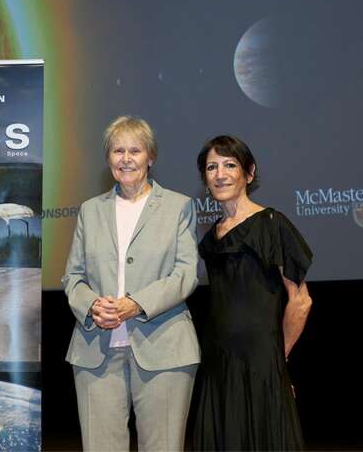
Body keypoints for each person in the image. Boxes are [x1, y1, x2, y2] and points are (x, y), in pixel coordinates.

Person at [62, 116, 200, 451]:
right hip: (96, 350)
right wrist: (92, 305)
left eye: (135, 150)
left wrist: (134, 304)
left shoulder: (178, 206)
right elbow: (73, 277)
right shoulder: (90, 210)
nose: (126, 158)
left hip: (165, 348)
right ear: (108, 158)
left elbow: (186, 273)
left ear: (150, 157)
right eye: (117, 150)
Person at [192, 135, 313, 451]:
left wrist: (278, 358)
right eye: (212, 167)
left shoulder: (272, 224)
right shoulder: (210, 237)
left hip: (262, 365)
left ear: (249, 172)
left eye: (230, 165)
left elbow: (301, 301)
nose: (220, 174)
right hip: (218, 364)